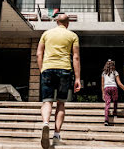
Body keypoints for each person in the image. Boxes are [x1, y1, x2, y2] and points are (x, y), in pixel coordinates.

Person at [37, 14, 81, 149]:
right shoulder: (72, 36)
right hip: (64, 70)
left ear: (57, 21)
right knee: (61, 103)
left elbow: (39, 53)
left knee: (47, 101)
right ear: (68, 23)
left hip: (48, 69)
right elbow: (76, 57)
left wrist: (42, 70)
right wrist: (78, 78)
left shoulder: (46, 34)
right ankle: (56, 134)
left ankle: (45, 123)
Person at [101, 59, 124, 126]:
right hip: (114, 87)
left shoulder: (103, 73)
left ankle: (106, 120)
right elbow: (119, 83)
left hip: (106, 88)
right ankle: (115, 113)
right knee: (115, 100)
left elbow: (102, 85)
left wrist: (103, 94)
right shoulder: (115, 72)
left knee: (107, 104)